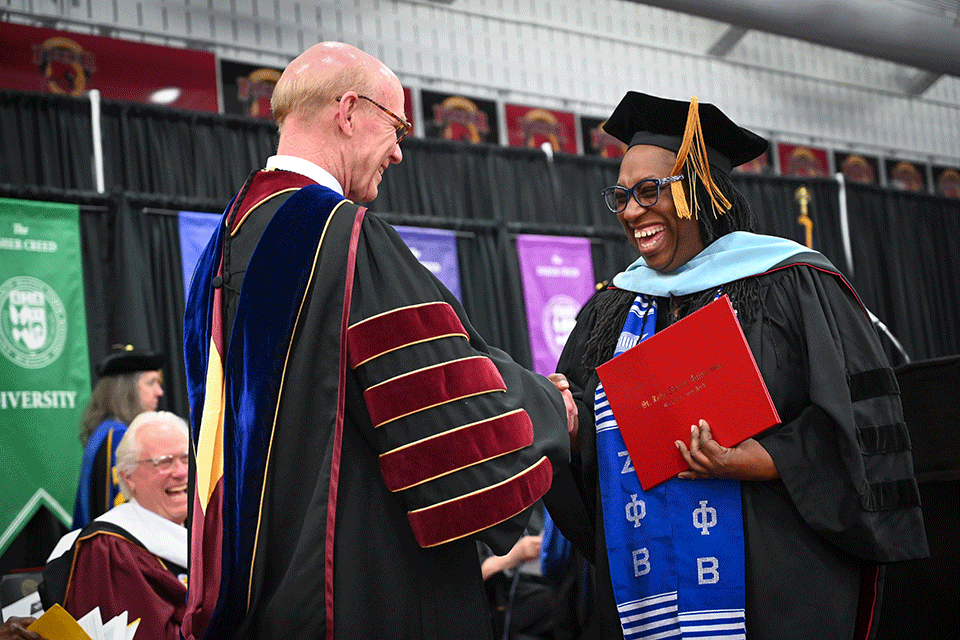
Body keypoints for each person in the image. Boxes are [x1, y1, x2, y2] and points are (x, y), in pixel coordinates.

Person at [182, 41, 574, 640]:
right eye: (395, 127)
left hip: (262, 586)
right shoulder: (340, 236)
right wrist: (548, 403)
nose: (397, 151)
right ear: (348, 111)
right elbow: (440, 398)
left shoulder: (226, 241)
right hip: (357, 585)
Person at [543, 92, 929, 640]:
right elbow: (594, 440)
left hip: (772, 587)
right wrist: (572, 417)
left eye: (650, 191)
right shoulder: (613, 309)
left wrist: (763, 459)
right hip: (643, 590)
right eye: (622, 195)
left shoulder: (791, 284)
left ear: (701, 193)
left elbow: (858, 425)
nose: (631, 212)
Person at [41, 411, 188, 640]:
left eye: (187, 458)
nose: (181, 472)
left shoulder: (207, 535)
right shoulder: (110, 550)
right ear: (127, 476)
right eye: (164, 462)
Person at [72, 345, 164, 529]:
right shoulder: (119, 437)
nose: (159, 392)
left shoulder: (106, 430)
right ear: (126, 390)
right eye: (151, 382)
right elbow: (118, 511)